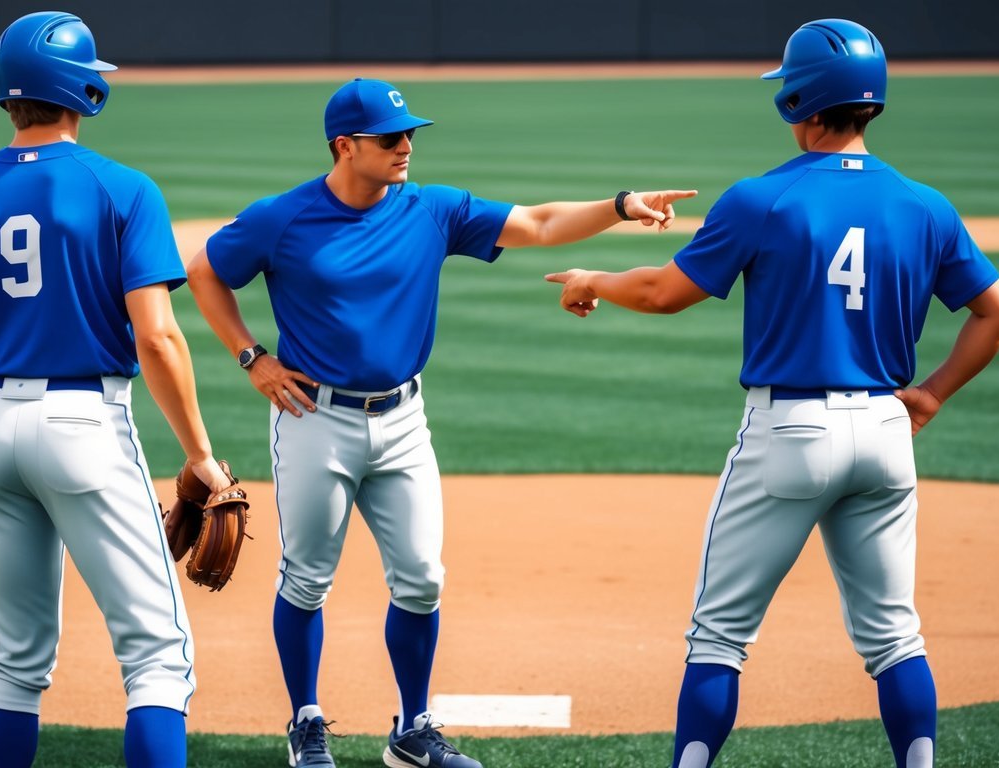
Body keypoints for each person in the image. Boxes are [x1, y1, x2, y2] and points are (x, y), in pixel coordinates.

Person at [546, 19, 999, 768]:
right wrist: (927, 397)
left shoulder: (762, 199)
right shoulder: (926, 205)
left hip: (790, 435)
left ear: (800, 101)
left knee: (718, 638)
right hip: (884, 433)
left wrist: (590, 279)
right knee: (895, 637)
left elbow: (665, 293)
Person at [187, 77, 695, 768]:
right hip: (315, 418)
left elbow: (539, 223)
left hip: (402, 420)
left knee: (421, 578)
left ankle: (412, 729)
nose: (405, 147)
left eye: (410, 135)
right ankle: (305, 721)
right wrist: (252, 357)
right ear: (345, 146)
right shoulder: (282, 218)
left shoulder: (432, 209)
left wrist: (619, 206)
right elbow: (206, 271)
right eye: (390, 138)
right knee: (306, 577)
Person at [0, 12, 232, 768]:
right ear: (81, 88)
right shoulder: (119, 187)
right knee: (157, 655)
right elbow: (156, 337)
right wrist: (200, 454)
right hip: (83, 428)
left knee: (17, 659)